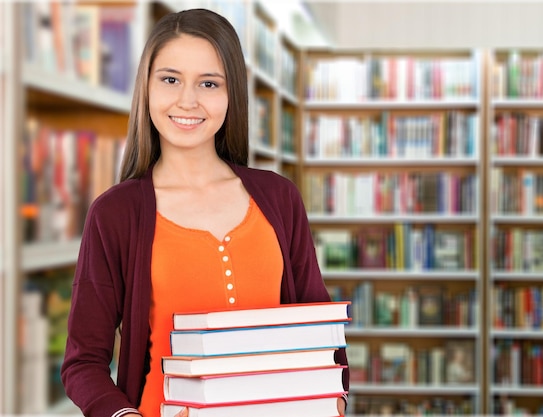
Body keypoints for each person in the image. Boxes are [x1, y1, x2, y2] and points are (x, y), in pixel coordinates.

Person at [61, 8, 349, 417]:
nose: (187, 100)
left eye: (209, 83)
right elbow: (83, 362)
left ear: (232, 94)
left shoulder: (279, 198)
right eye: (170, 79)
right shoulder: (115, 214)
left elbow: (322, 335)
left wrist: (333, 396)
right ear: (146, 87)